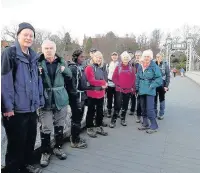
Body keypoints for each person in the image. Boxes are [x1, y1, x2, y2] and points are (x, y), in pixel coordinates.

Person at [1, 22, 44, 173]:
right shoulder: (10, 53)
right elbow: (5, 82)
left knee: (29, 140)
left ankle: (25, 167)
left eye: (31, 35)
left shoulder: (34, 56)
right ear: (18, 36)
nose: (28, 37)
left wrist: (39, 101)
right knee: (15, 144)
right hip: (16, 110)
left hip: (31, 108)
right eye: (25, 34)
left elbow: (37, 81)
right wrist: (7, 107)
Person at [38, 40, 72, 167]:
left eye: (51, 48)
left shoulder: (62, 62)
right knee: (46, 127)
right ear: (42, 49)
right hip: (45, 99)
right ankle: (45, 152)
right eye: (46, 48)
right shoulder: (38, 63)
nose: (48, 50)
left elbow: (69, 76)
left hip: (60, 98)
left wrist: (65, 70)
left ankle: (58, 147)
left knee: (59, 125)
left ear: (55, 49)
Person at [136, 49, 162, 134]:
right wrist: (137, 88)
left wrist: (152, 85)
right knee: (143, 108)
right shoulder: (140, 66)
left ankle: (154, 125)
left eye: (148, 56)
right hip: (141, 90)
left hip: (150, 90)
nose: (146, 58)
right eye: (145, 56)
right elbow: (138, 78)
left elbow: (159, 79)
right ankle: (145, 123)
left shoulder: (154, 66)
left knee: (150, 109)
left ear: (151, 57)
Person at [67, 49, 87, 149]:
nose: (83, 59)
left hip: (81, 95)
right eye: (81, 57)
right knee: (76, 118)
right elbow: (72, 86)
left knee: (78, 118)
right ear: (76, 57)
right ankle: (74, 141)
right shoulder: (73, 68)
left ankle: (76, 137)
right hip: (76, 97)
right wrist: (75, 99)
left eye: (84, 57)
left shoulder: (80, 67)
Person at [109, 51, 136, 128]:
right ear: (122, 58)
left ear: (129, 59)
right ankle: (113, 120)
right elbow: (114, 78)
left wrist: (133, 88)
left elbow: (133, 79)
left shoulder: (131, 68)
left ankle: (123, 118)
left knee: (125, 105)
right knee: (117, 105)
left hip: (128, 90)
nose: (125, 59)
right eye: (124, 58)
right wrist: (119, 85)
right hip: (119, 90)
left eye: (127, 58)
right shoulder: (118, 67)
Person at [85, 51, 108, 138]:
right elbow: (91, 81)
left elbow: (104, 79)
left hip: (101, 93)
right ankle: (89, 127)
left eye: (100, 57)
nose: (99, 59)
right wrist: (103, 82)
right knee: (91, 111)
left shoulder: (101, 68)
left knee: (100, 111)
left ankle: (98, 126)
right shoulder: (89, 68)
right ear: (93, 58)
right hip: (92, 93)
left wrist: (105, 84)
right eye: (97, 57)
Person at [155, 53, 170, 120]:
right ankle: (154, 113)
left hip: (162, 84)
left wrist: (166, 86)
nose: (158, 58)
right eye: (157, 57)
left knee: (162, 99)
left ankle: (161, 114)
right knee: (154, 99)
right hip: (154, 84)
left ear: (162, 58)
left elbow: (168, 76)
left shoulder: (165, 65)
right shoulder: (153, 64)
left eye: (159, 57)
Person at [129, 50, 143, 123]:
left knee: (140, 99)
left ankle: (139, 114)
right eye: (136, 55)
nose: (137, 57)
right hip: (133, 82)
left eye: (139, 55)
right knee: (132, 96)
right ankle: (132, 109)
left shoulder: (144, 63)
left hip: (141, 83)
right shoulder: (132, 63)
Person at [106, 52, 119, 118]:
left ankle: (116, 111)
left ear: (117, 56)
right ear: (111, 57)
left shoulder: (119, 64)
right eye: (113, 56)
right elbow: (106, 73)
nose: (114, 57)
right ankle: (109, 110)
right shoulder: (108, 64)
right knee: (109, 98)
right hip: (109, 83)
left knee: (117, 99)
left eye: (115, 56)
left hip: (117, 84)